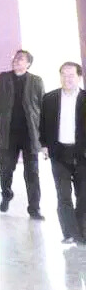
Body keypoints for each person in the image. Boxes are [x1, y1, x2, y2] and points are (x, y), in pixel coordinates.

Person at [0, 49, 45, 219]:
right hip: (9, 134)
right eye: (15, 59)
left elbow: (43, 107)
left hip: (30, 134)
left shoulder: (36, 81)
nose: (16, 61)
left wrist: (45, 137)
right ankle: (7, 193)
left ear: (28, 63)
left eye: (21, 59)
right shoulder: (3, 78)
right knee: (5, 169)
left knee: (32, 172)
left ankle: (34, 208)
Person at [39, 62, 86, 243]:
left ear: (79, 77)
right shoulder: (49, 98)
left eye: (71, 75)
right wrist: (43, 144)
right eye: (64, 75)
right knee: (63, 196)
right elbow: (42, 124)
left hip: (82, 154)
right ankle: (70, 233)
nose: (67, 79)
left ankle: (80, 230)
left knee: (83, 195)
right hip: (58, 153)